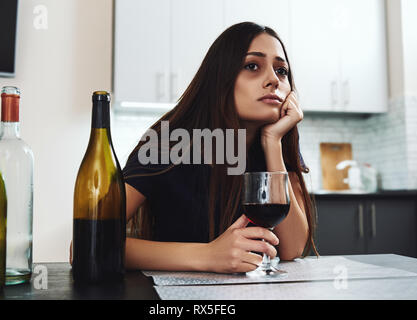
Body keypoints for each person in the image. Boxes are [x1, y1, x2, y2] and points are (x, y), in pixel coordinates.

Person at [71, 22, 317, 273]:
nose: (273, 80)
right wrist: (207, 255)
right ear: (219, 78)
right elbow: (87, 244)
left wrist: (272, 143)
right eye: (252, 66)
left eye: (282, 71)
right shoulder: (168, 143)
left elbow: (293, 248)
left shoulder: (277, 143)